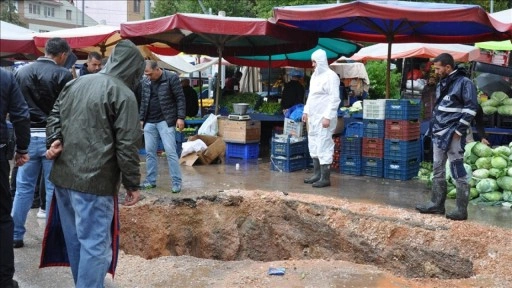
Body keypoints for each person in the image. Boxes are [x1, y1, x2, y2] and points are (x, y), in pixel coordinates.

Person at [44, 39, 143, 287]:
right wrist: (132, 183)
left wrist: (55, 138)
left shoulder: (77, 82)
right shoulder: (123, 94)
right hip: (95, 182)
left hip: (64, 178)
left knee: (77, 240)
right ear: (133, 69)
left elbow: (54, 114)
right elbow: (127, 145)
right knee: (95, 246)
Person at [11, 37, 73, 248]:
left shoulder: (21, 72)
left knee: (23, 189)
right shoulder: (63, 74)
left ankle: (15, 235)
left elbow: (16, 109)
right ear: (63, 54)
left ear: (45, 50)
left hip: (26, 138)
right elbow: (66, 110)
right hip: (52, 138)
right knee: (53, 188)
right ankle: (54, 237)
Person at [416, 53, 478, 221]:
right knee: (437, 168)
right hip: (438, 133)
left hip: (453, 135)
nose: (435, 72)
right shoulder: (442, 83)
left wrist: (459, 131)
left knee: (458, 170)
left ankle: (461, 210)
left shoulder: (465, 83)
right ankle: (436, 204)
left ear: (448, 67)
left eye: (437, 68)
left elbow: (471, 108)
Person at [0, 69, 30, 288]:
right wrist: (22, 148)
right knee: (1, 217)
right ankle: (4, 279)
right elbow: (20, 115)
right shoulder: (5, 76)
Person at [139, 60, 186, 193]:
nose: (147, 76)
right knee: (149, 153)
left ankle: (176, 182)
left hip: (166, 120)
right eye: (145, 74)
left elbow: (180, 98)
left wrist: (180, 117)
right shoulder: (146, 81)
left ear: (157, 69)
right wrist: (141, 119)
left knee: (171, 152)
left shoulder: (171, 78)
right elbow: (144, 100)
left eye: (149, 73)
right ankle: (150, 181)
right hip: (149, 121)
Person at [302, 49, 340, 188]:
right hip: (313, 117)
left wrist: (328, 116)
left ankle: (325, 178)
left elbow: (335, 99)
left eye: (314, 62)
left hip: (324, 118)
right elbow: (311, 96)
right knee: (314, 144)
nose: (312, 65)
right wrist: (306, 111)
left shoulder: (331, 76)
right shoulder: (314, 77)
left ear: (321, 62)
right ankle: (317, 174)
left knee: (324, 144)